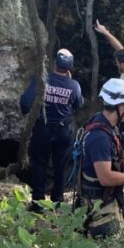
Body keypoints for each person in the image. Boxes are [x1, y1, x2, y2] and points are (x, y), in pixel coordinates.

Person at [77, 78, 124, 238]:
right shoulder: (99, 137)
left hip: (107, 202)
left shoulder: (105, 125)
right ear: (120, 107)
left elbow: (109, 153)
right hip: (101, 209)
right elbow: (106, 178)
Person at [20, 49, 84, 205]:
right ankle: (57, 200)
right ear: (70, 68)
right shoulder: (74, 85)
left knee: (39, 164)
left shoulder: (41, 81)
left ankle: (38, 201)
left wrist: (27, 114)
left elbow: (25, 102)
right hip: (64, 131)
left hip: (43, 128)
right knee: (60, 165)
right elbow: (79, 104)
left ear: (55, 62)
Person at [94, 21, 124, 155]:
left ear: (122, 64)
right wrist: (105, 32)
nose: (116, 64)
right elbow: (119, 48)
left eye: (117, 62)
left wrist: (115, 123)